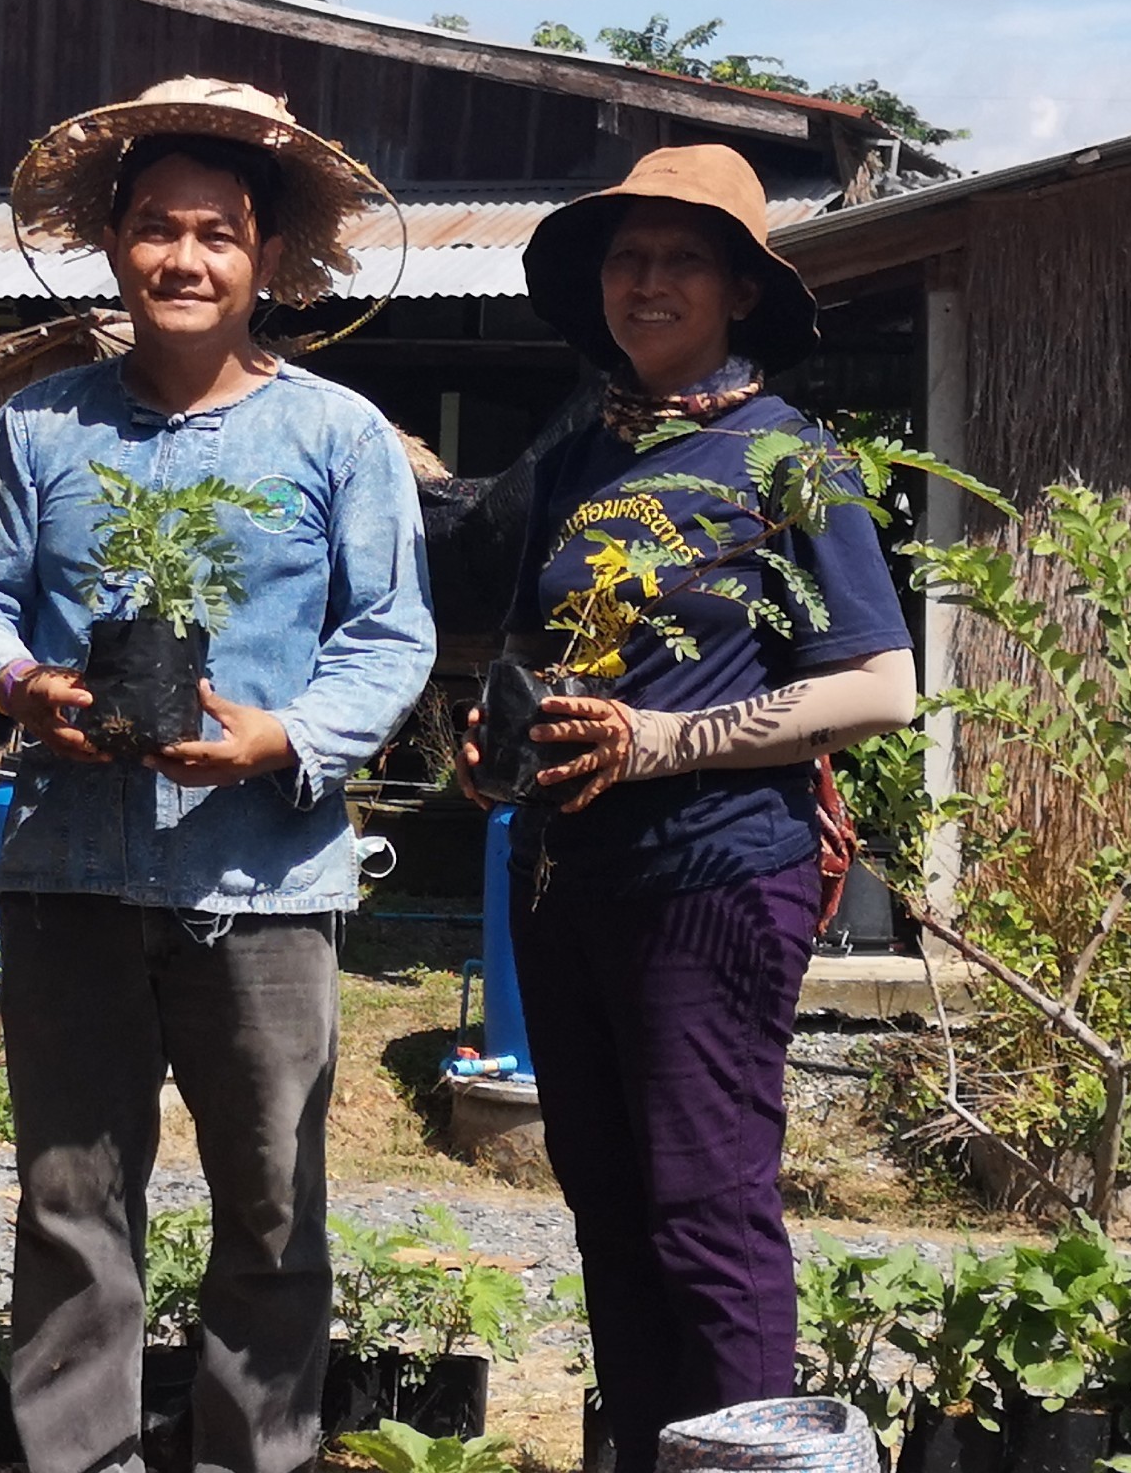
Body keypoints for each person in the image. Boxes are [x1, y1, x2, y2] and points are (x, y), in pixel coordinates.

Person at [0, 77, 437, 1473]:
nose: (184, 258)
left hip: (264, 876)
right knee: (70, 1202)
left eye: (217, 232)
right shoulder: (41, 431)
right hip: (74, 870)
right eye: (156, 227)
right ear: (112, 244)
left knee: (271, 1204)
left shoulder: (335, 435)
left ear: (268, 254)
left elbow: (389, 634)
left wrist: (287, 738)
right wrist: (24, 683)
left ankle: (251, 1452)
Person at [460, 145, 920, 1458]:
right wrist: (490, 745)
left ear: (737, 291)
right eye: (626, 257)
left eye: (680, 260)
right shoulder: (575, 458)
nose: (646, 281)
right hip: (566, 881)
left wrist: (665, 741)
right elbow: (529, 657)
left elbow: (881, 688)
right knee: (607, 1207)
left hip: (714, 876)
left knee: (705, 1214)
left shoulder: (789, 461)